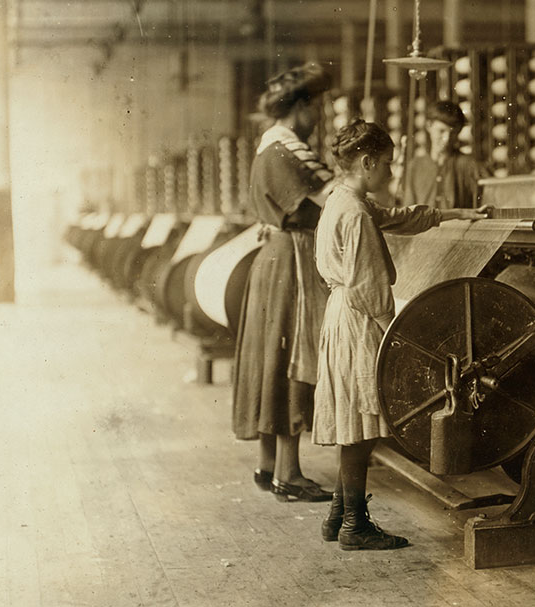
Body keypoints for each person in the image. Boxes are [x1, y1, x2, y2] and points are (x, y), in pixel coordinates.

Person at [313, 120, 488, 550]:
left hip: (342, 316)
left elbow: (396, 218)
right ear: (367, 162)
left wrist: (453, 215)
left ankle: (340, 514)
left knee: (355, 421)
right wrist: (405, 338)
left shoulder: (341, 200)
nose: (392, 173)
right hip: (358, 320)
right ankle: (355, 525)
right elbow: (372, 291)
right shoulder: (354, 214)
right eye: (387, 164)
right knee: (362, 425)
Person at [232, 63, 335, 502]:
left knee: (269, 355)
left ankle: (268, 464)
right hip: (291, 260)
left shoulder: (268, 148)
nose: (320, 116)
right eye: (317, 107)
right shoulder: (286, 151)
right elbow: (334, 199)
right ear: (301, 106)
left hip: (272, 259)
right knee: (296, 355)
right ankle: (290, 476)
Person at [403, 100, 489, 209]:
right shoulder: (415, 166)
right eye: (441, 131)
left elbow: (491, 196)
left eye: (453, 133)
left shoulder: (470, 165)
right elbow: (408, 212)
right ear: (429, 126)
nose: (447, 139)